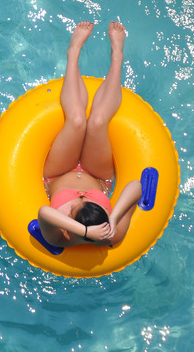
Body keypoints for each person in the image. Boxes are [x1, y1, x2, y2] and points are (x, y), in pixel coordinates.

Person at [36, 21, 142, 247]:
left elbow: (44, 212)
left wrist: (81, 229)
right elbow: (136, 186)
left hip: (57, 173)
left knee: (76, 121)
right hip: (98, 177)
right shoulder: (114, 234)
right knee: (97, 122)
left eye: (73, 206)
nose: (81, 195)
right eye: (86, 200)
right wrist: (113, 217)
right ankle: (117, 57)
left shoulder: (61, 237)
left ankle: (73, 53)